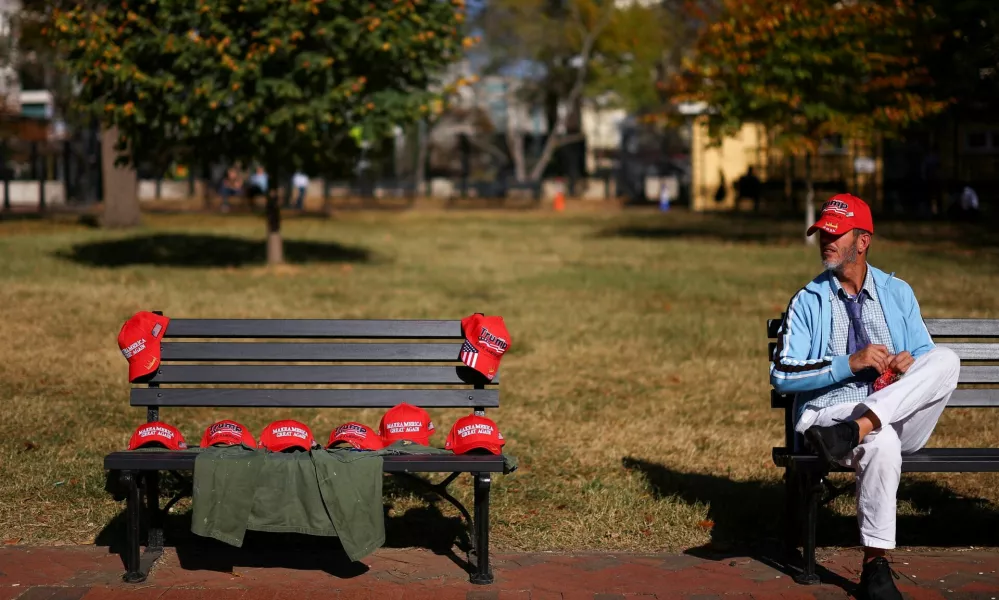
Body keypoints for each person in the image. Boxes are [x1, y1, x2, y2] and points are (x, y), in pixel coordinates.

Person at [770, 193, 959, 600]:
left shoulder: (898, 293)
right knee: (883, 441)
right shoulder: (808, 301)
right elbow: (782, 374)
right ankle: (876, 566)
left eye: (836, 234)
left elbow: (928, 360)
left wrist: (910, 362)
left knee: (947, 359)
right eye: (823, 233)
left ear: (863, 240)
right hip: (829, 418)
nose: (826, 241)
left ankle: (861, 426)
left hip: (888, 414)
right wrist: (849, 363)